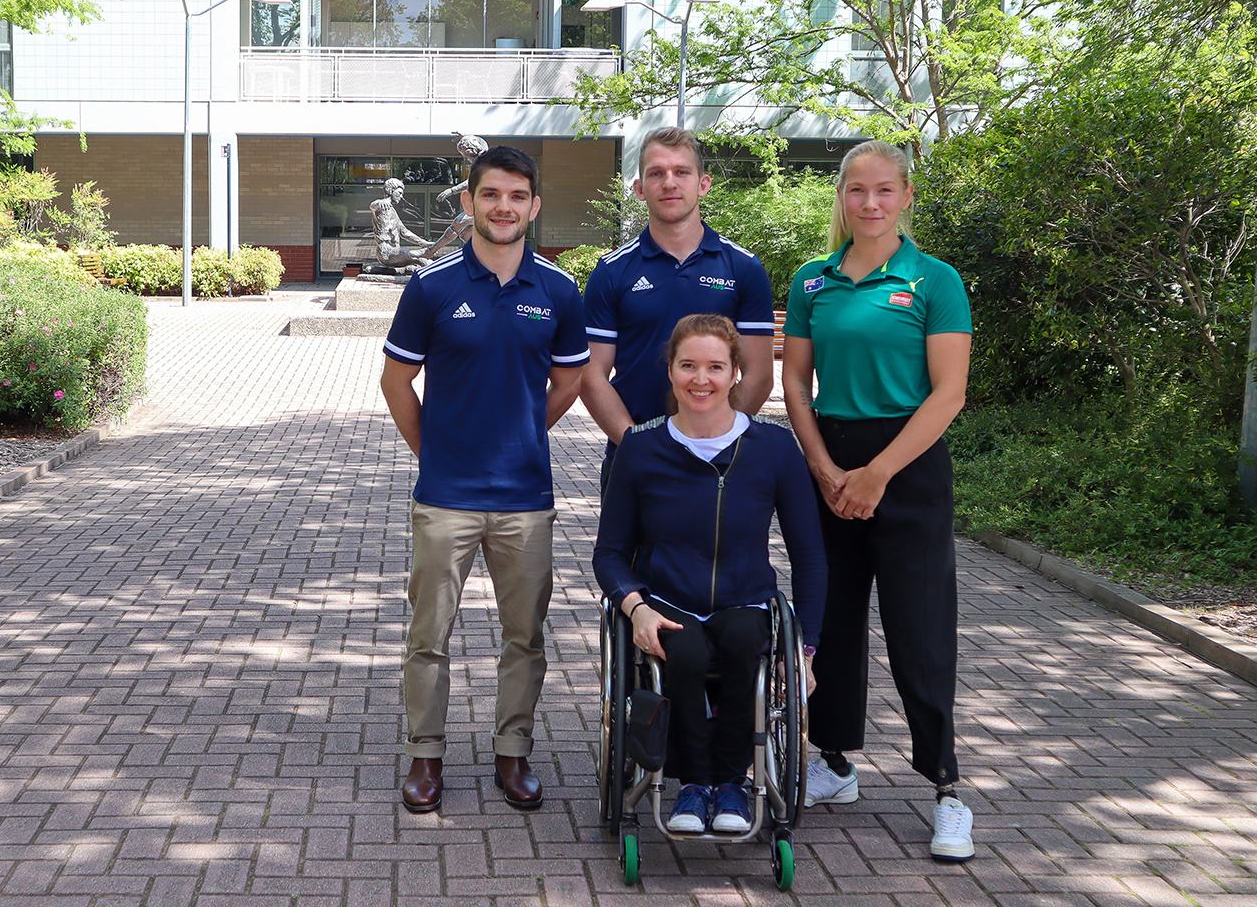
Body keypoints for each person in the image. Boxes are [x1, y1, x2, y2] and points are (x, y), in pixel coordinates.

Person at [780, 140, 975, 861]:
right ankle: (834, 762)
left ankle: (947, 788)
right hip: (829, 463)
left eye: (884, 190)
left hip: (910, 468)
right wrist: (825, 465)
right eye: (857, 190)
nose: (870, 203)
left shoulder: (934, 279)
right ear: (841, 196)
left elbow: (948, 393)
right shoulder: (811, 280)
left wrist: (877, 473)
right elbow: (796, 385)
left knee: (919, 628)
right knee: (829, 624)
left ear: (906, 196)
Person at [380, 145, 590, 813]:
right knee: (428, 636)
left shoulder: (557, 290)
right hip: (446, 497)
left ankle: (513, 753)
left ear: (534, 205)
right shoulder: (432, 287)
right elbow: (396, 380)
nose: (504, 207)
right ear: (470, 202)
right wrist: (433, 451)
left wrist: (527, 432)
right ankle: (426, 756)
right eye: (491, 195)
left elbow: (570, 380)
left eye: (517, 196)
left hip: (526, 499)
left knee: (524, 638)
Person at [594, 314, 826, 835]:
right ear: (671, 372)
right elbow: (609, 553)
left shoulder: (773, 449)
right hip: (666, 599)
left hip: (745, 598)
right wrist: (636, 608)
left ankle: (732, 783)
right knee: (687, 650)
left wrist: (806, 651)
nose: (702, 379)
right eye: (689, 366)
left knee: (746, 641)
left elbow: (810, 556)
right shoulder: (641, 447)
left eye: (715, 367)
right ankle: (693, 784)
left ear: (736, 373)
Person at [581, 128, 776, 490]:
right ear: (639, 190)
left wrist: (711, 440)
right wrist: (641, 446)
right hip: (634, 460)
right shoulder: (612, 272)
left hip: (719, 462)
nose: (669, 183)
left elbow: (759, 375)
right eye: (656, 173)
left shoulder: (743, 268)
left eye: (681, 172)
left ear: (703, 184)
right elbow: (592, 378)